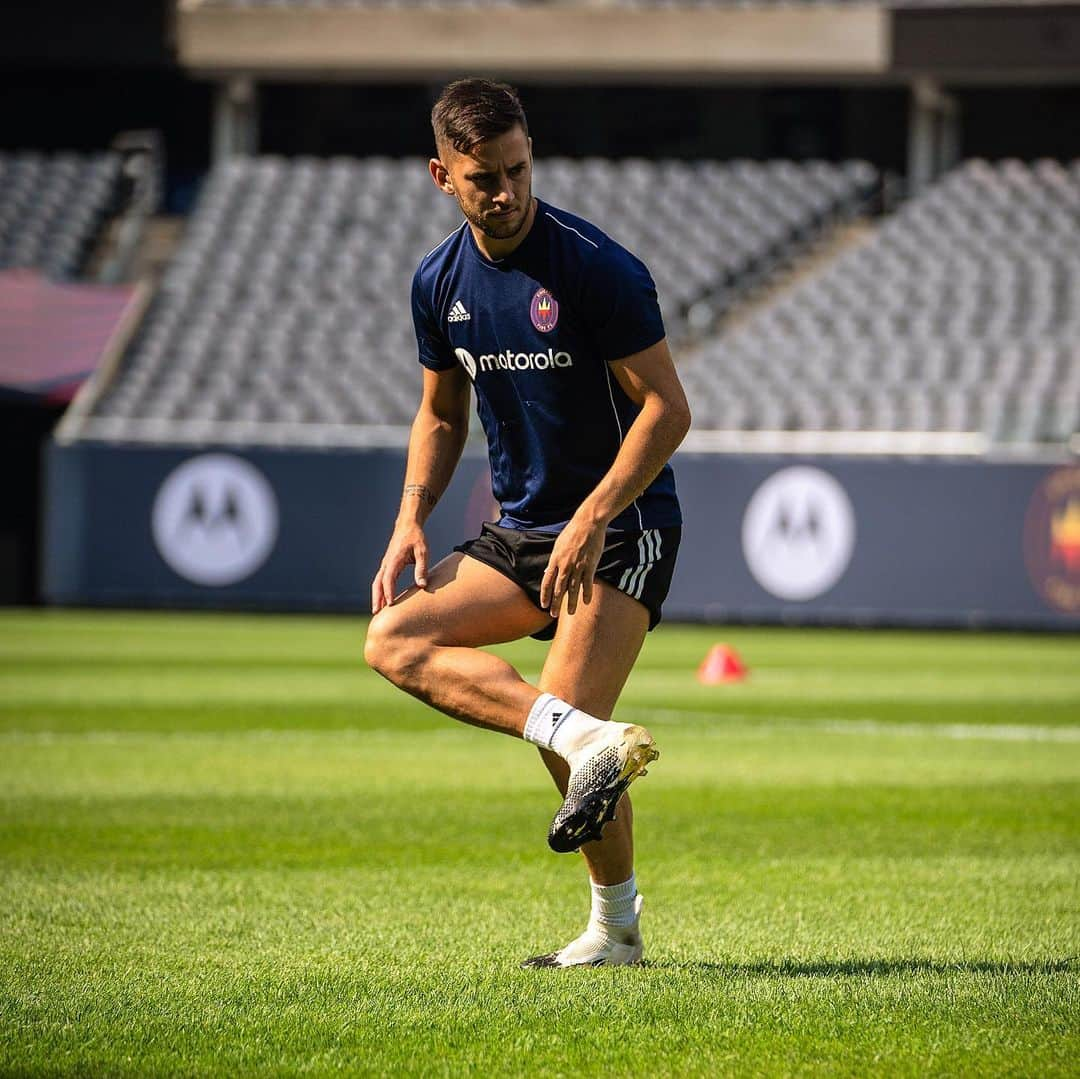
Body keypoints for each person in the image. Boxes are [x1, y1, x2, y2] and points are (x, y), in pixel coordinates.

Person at [364, 77, 691, 968]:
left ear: (530, 154)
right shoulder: (439, 282)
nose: (505, 191)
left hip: (621, 523)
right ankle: (585, 739)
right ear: (443, 175)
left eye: (517, 169)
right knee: (392, 641)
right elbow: (439, 415)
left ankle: (615, 931)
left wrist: (593, 516)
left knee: (571, 726)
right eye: (483, 179)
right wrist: (409, 519)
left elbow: (668, 409)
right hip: (521, 530)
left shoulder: (596, 266)